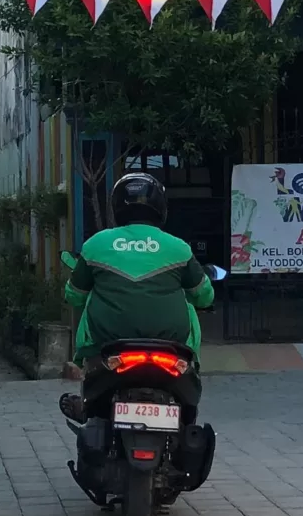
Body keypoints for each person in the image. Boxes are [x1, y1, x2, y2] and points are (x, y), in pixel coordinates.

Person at [58, 171, 216, 423]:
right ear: (161, 208)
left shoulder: (95, 245)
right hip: (171, 349)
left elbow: (74, 295)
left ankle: (89, 409)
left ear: (116, 207)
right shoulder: (179, 248)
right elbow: (204, 296)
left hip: (109, 348)